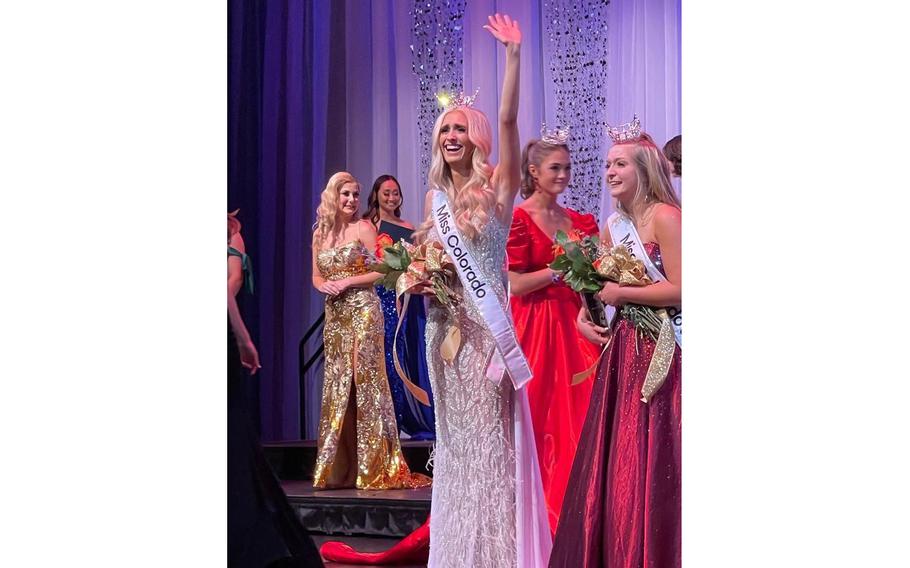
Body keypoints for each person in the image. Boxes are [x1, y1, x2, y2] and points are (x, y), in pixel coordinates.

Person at [407, 13, 550, 567]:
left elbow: (511, 119)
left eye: (459, 128)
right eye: (444, 129)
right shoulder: (431, 203)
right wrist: (419, 280)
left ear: (477, 139)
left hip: (486, 337)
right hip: (444, 332)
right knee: (456, 446)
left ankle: (494, 556)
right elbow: (432, 266)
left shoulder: (498, 186)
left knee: (490, 448)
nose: (450, 136)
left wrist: (513, 56)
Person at [548, 123, 681, 568]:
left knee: (659, 452)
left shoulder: (667, 217)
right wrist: (586, 318)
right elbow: (602, 292)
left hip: (666, 350)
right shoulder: (614, 226)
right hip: (624, 351)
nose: (609, 171)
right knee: (622, 456)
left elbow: (682, 289)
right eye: (606, 164)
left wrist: (623, 295)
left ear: (644, 170)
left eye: (619, 163)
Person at [310, 172, 430, 490]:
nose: (350, 200)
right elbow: (315, 277)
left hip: (364, 308)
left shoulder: (364, 227)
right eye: (345, 194)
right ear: (332, 197)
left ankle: (374, 466)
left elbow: (381, 271)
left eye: (354, 194)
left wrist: (348, 281)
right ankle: (340, 469)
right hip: (335, 314)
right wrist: (327, 284)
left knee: (366, 384)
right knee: (338, 387)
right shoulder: (320, 233)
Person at [506, 135, 600, 535]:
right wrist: (559, 270)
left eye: (567, 168)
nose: (563, 175)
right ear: (533, 172)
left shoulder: (580, 221)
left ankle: (582, 510)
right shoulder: (519, 219)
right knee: (542, 416)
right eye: (554, 168)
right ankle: (540, 518)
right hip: (535, 328)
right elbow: (513, 283)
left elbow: (594, 281)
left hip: (574, 322)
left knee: (580, 415)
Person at [227, 211, 324, 567]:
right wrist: (244, 340)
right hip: (226, 332)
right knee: (233, 433)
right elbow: (225, 294)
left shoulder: (230, 235)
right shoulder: (231, 236)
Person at [362, 175, 436, 440]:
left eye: (396, 193)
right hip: (384, 293)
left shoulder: (407, 225)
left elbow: (417, 259)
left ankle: (414, 413)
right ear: (376, 195)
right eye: (386, 193)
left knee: (411, 350)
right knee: (389, 354)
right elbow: (371, 262)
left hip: (409, 293)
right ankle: (389, 417)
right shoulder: (370, 225)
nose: (392, 198)